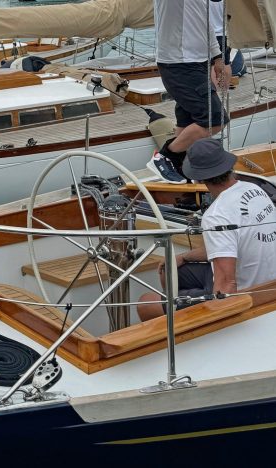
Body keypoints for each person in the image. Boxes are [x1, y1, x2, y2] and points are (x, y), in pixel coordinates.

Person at [137, 139, 276, 321]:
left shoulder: (216, 215)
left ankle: (187, 331)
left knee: (145, 304)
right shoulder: (256, 190)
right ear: (228, 167)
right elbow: (235, 245)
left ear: (198, 178)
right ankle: (179, 313)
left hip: (246, 295)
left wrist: (221, 321)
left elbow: (227, 284)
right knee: (169, 269)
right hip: (268, 284)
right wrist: (184, 257)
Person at [147, 0, 230, 184]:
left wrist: (217, 57)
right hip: (178, 63)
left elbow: (205, 21)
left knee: (188, 120)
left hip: (199, 62)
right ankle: (165, 158)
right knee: (214, 119)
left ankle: (182, 167)